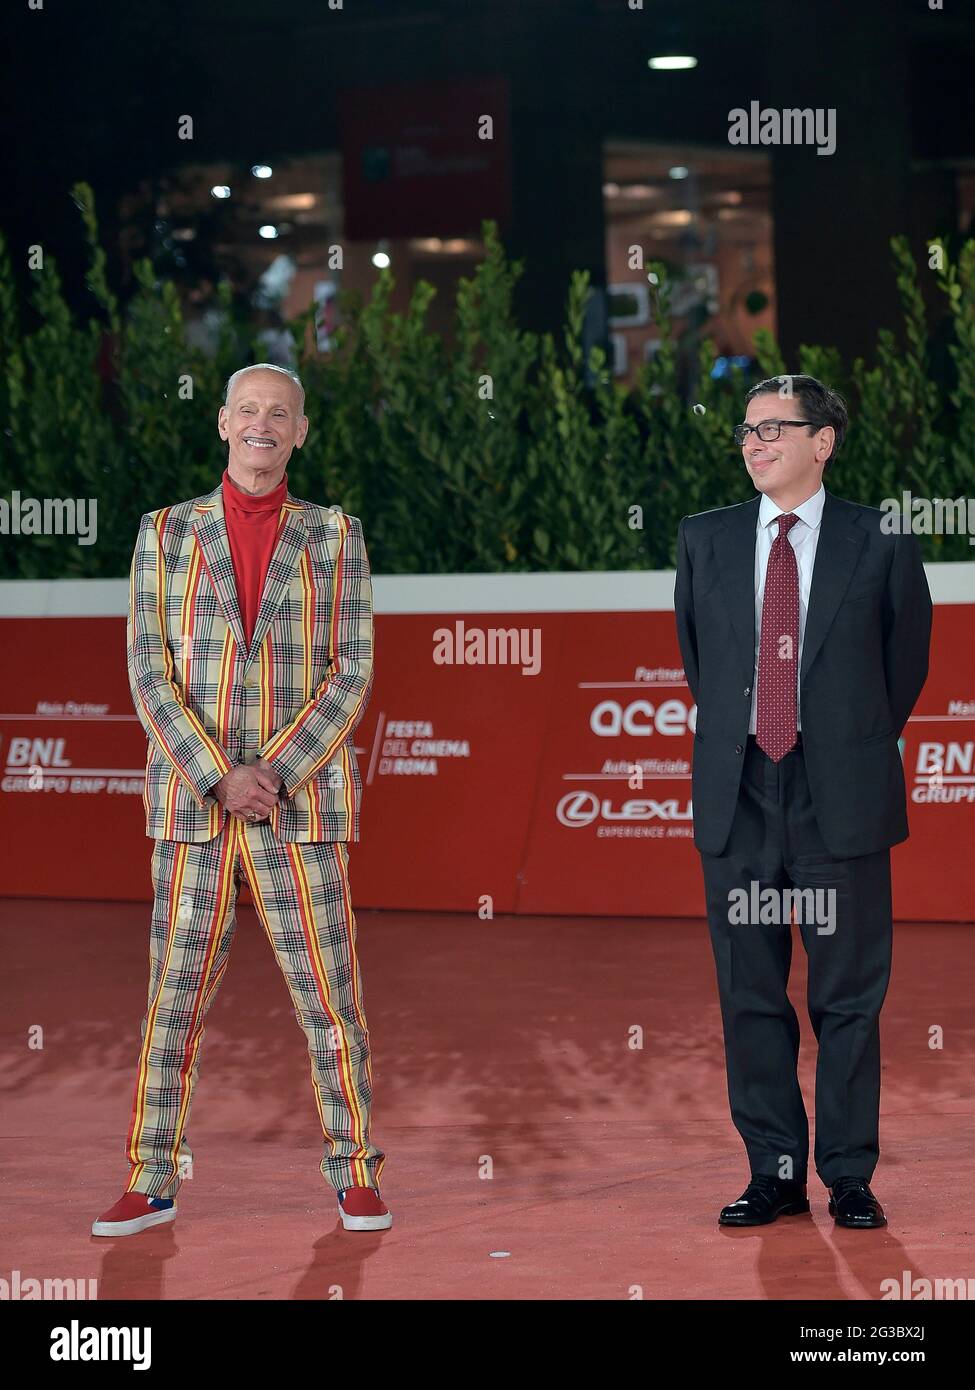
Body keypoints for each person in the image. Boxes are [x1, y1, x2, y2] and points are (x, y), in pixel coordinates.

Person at [92, 363, 389, 1236]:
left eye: (281, 414)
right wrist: (219, 773)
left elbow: (353, 669)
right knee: (173, 997)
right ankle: (150, 1178)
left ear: (301, 432)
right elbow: (149, 669)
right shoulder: (164, 532)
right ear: (223, 423)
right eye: (249, 410)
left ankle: (356, 1172)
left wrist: (278, 772)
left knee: (330, 1000)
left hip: (301, 810)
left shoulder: (336, 535)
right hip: (194, 808)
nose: (263, 425)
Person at [674, 375, 932, 1228]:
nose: (753, 444)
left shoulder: (881, 539)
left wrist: (843, 741)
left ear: (822, 442)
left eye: (773, 429)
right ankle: (775, 1174)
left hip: (840, 798)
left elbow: (904, 665)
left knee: (847, 998)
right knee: (749, 994)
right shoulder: (702, 540)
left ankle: (849, 1175)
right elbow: (700, 664)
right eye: (746, 431)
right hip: (739, 789)